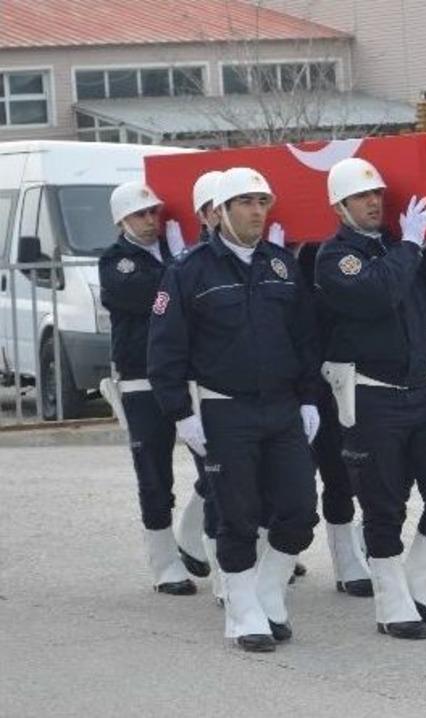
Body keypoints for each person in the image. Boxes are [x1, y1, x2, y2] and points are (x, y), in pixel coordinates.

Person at [148, 167, 321, 652]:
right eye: (245, 202)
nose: (256, 211)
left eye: (262, 202)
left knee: (300, 512)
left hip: (283, 410)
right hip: (225, 412)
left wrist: (309, 398)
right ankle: (243, 611)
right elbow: (164, 351)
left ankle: (267, 592)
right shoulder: (188, 271)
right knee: (238, 517)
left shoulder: (283, 265)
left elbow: (305, 339)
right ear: (220, 212)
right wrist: (181, 413)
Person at [315, 157, 426, 640]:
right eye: (362, 196)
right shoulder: (335, 256)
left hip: (421, 392)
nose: (374, 202)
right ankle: (391, 600)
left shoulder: (404, 249)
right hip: (370, 394)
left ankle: (418, 573)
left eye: (377, 194)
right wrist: (411, 245)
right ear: (340, 206)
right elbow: (376, 294)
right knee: (383, 504)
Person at [98, 181, 199, 596]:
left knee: (219, 461)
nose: (150, 220)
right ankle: (163, 561)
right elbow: (160, 298)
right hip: (141, 376)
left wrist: (179, 260)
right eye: (141, 214)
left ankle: (192, 535)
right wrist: (179, 263)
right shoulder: (117, 262)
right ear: (122, 219)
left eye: (154, 212)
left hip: (184, 373)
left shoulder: (173, 254)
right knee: (154, 472)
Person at [296, 241, 373, 598]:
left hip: (340, 370)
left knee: (341, 473)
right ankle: (270, 552)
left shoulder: (342, 244)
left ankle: (347, 560)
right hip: (290, 377)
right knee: (290, 482)